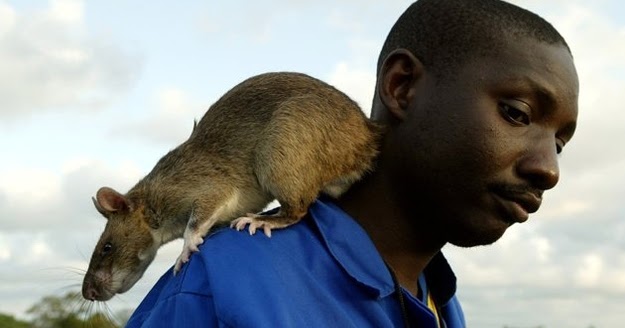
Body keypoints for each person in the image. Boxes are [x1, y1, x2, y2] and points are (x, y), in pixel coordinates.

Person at [125, 0, 578, 327]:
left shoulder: (440, 300)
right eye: (517, 114)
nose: (549, 169)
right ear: (402, 87)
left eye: (560, 142)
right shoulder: (225, 285)